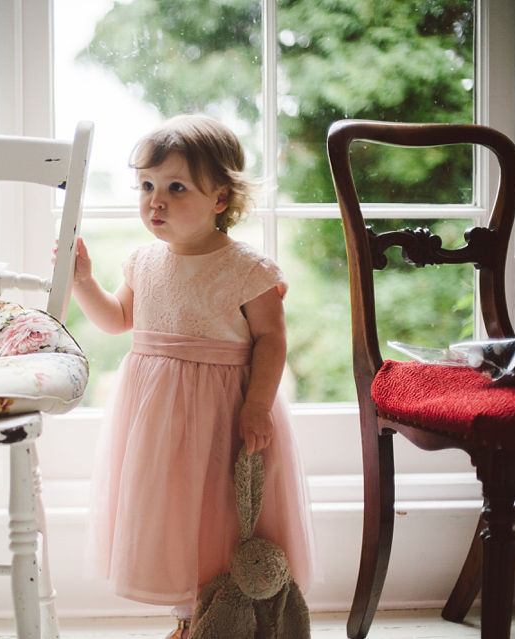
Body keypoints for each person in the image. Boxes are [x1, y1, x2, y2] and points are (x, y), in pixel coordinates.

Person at [73, 114, 318, 638]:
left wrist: (256, 405)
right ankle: (191, 620)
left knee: (221, 519)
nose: (154, 201)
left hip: (222, 413)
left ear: (221, 199)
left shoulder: (248, 269)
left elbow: (272, 340)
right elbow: (117, 320)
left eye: (176, 187)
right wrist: (83, 283)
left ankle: (236, 616)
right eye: (146, 186)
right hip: (159, 421)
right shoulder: (143, 261)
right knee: (172, 516)